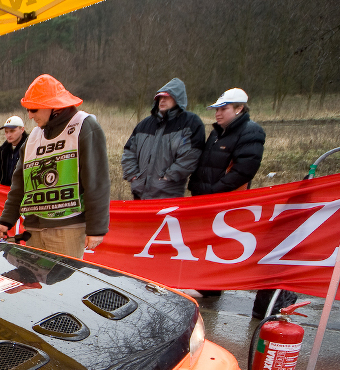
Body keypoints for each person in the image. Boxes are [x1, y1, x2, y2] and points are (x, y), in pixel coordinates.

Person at [0, 74, 110, 259]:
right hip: (34, 229)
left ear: (52, 106)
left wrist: (96, 228)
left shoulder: (84, 126)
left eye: (33, 109)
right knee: (34, 278)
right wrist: (6, 221)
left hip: (67, 228)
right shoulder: (33, 137)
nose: (30, 115)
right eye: (28, 110)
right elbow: (19, 184)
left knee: (64, 279)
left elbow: (97, 180)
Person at [187, 88, 285, 312]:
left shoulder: (251, 132)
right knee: (204, 241)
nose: (218, 114)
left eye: (224, 109)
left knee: (219, 243)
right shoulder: (217, 133)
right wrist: (195, 185)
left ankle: (210, 287)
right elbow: (205, 163)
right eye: (217, 109)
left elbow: (244, 170)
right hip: (205, 199)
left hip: (226, 201)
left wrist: (215, 190)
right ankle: (205, 284)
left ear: (239, 108)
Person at [121, 78, 205, 200]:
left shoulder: (190, 123)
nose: (162, 100)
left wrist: (167, 178)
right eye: (160, 97)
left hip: (168, 196)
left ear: (177, 99)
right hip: (139, 195)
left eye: (167, 97)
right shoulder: (144, 124)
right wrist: (133, 176)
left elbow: (190, 156)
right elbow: (129, 152)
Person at [0, 116, 28, 186]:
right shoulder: (2, 151)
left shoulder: (30, 146)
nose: (8, 135)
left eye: (12, 131)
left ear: (22, 130)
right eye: (6, 132)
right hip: (5, 190)